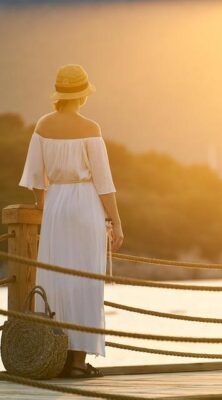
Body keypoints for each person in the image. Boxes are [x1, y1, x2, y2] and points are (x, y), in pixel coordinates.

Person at [18, 64, 124, 378]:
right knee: (84, 281)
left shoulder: (42, 126)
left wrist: (44, 206)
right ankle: (77, 361)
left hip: (56, 207)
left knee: (55, 279)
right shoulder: (91, 128)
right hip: (86, 206)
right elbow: (104, 182)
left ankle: (56, 356)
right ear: (82, 95)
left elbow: (36, 178)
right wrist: (115, 221)